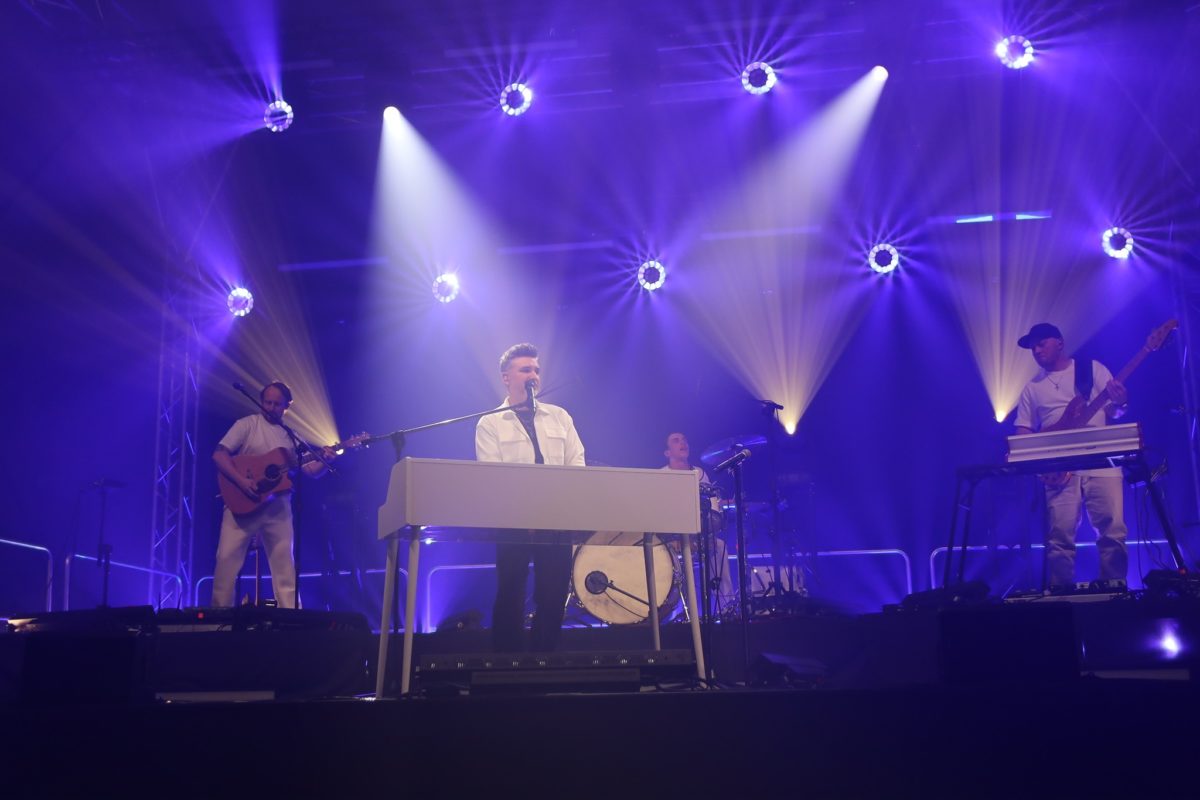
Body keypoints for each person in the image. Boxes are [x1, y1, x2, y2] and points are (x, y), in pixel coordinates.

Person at [476, 343, 586, 652]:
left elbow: (577, 463)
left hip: (557, 519)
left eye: (536, 369)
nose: (533, 375)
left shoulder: (560, 417)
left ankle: (544, 658)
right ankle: (506, 661)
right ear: (506, 378)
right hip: (513, 521)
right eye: (525, 369)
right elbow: (491, 475)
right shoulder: (490, 423)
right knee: (511, 589)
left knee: (553, 592)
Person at [1014, 323, 1129, 590]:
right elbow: (1024, 430)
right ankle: (1061, 594)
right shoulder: (1032, 388)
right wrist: (1037, 463)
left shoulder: (1092, 370)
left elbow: (1115, 412)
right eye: (1032, 347)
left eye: (1041, 343)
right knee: (1059, 537)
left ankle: (1115, 591)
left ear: (1059, 343)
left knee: (1113, 531)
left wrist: (1121, 401)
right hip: (1058, 467)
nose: (1036, 350)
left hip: (1101, 461)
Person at [211, 381, 337, 608]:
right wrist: (241, 480)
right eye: (267, 402)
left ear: (286, 406)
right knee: (226, 560)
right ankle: (218, 617)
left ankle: (291, 617)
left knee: (284, 565)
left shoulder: (291, 437)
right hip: (243, 502)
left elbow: (310, 471)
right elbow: (219, 455)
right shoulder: (246, 425)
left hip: (278, 507)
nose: (270, 407)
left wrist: (325, 459)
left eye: (276, 404)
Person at [662, 432, 734, 613]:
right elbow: (660, 514)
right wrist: (672, 537)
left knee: (720, 546)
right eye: (676, 441)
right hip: (671, 539)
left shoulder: (700, 473)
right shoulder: (661, 475)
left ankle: (726, 606)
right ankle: (676, 610)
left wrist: (709, 533)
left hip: (698, 536)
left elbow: (711, 510)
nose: (682, 443)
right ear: (667, 452)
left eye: (684, 439)